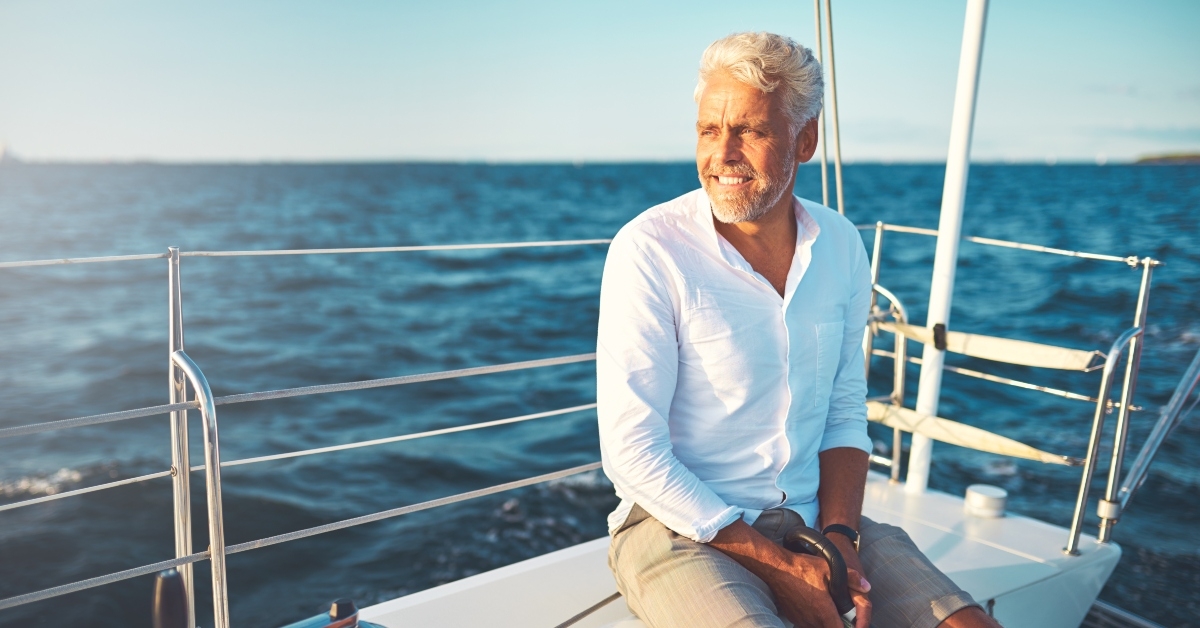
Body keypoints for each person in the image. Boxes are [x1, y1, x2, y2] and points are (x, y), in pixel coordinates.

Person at [596, 32, 1002, 628]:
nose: (724, 153)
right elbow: (632, 451)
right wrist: (782, 571)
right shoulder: (649, 250)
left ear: (805, 139)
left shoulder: (840, 244)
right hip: (678, 526)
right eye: (710, 130)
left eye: (751, 131)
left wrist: (839, 537)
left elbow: (843, 410)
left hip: (813, 519)